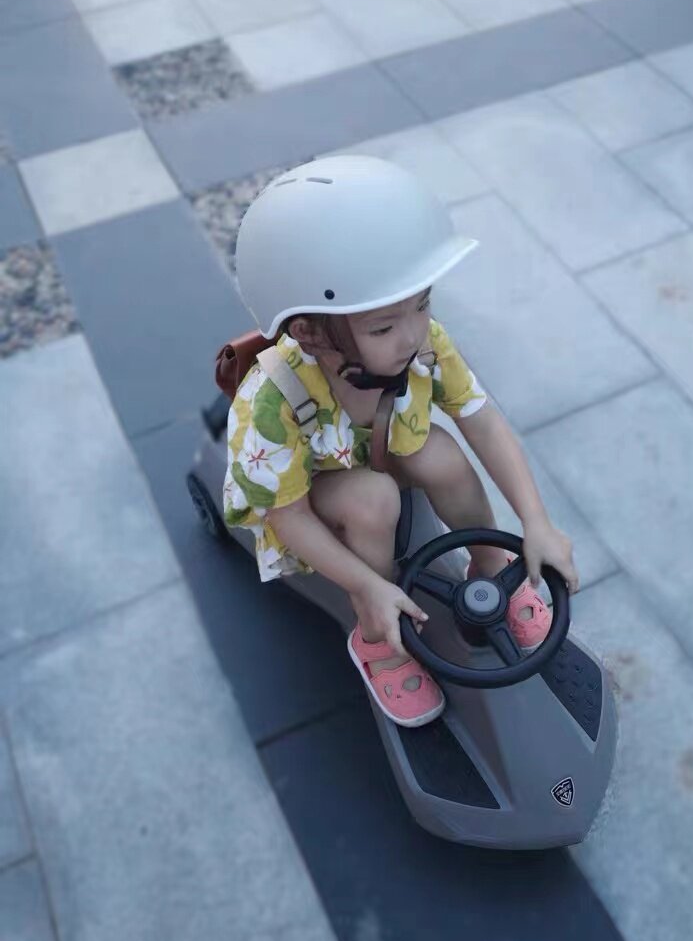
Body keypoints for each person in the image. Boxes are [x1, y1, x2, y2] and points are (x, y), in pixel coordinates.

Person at [224, 155, 579, 727]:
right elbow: (288, 517)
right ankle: (375, 636)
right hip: (314, 490)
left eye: (422, 304)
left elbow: (482, 421)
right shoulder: (270, 405)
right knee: (374, 500)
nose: (414, 335)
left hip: (381, 447)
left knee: (441, 452)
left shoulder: (424, 345)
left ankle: (490, 567)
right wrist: (367, 583)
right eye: (385, 326)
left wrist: (534, 520)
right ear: (310, 333)